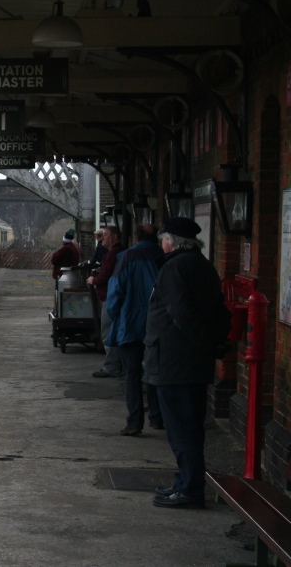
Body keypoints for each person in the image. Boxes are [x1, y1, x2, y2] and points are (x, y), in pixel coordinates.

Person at [146, 216, 224, 509]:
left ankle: (189, 489)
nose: (161, 244)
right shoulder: (202, 265)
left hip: (175, 363)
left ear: (170, 242)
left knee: (182, 430)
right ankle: (184, 482)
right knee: (188, 427)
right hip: (187, 363)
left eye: (162, 239)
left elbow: (182, 315)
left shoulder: (174, 268)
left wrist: (202, 346)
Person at [105, 223, 164, 436]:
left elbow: (116, 290)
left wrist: (115, 315)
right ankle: (158, 417)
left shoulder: (128, 257)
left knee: (132, 373)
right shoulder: (163, 256)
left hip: (130, 322)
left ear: (135, 236)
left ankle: (134, 422)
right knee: (156, 370)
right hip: (158, 324)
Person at [89, 225, 125, 378]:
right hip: (115, 297)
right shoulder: (118, 252)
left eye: (105, 235)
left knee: (108, 332)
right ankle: (118, 365)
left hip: (111, 298)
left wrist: (93, 279)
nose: (102, 238)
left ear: (114, 237)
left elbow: (105, 275)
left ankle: (112, 366)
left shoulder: (113, 254)